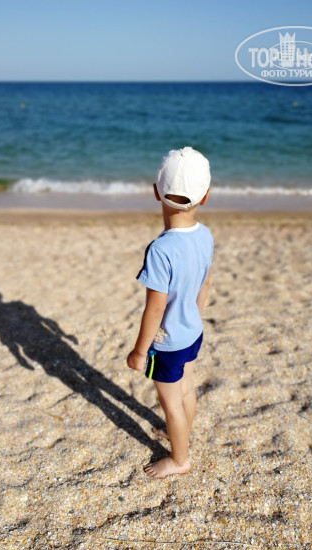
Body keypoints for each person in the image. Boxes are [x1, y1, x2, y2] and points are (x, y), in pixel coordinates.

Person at [126, 146, 213, 478]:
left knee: (170, 402)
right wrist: (194, 317)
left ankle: (179, 459)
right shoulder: (205, 235)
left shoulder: (161, 249)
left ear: (155, 192)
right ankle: (181, 435)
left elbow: (156, 307)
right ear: (204, 196)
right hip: (192, 332)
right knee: (186, 390)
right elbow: (205, 282)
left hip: (167, 343)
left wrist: (139, 351)